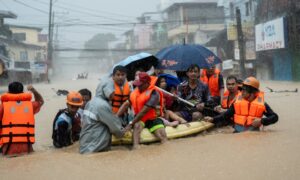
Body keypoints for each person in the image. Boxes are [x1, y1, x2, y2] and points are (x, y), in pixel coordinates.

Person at [204, 76, 279, 133]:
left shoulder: (262, 105)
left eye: (244, 90)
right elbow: (225, 115)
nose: (241, 92)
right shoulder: (237, 103)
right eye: (242, 89)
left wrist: (262, 121)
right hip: (237, 132)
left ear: (252, 92)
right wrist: (213, 119)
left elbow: (275, 117)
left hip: (254, 134)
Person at [117, 72, 167, 149]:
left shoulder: (154, 93)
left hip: (152, 118)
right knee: (137, 126)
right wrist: (116, 117)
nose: (138, 86)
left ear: (147, 83)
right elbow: (126, 104)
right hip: (139, 119)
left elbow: (144, 111)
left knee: (162, 137)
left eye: (140, 84)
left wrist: (130, 124)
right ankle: (135, 148)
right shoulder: (134, 92)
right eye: (137, 84)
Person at [79, 80, 124, 154]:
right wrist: (123, 132)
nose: (114, 93)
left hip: (85, 146)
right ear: (107, 91)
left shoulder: (91, 102)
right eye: (113, 91)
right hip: (94, 148)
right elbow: (116, 128)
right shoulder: (102, 105)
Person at [0, 82, 44, 156]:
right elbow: (40, 101)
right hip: (27, 148)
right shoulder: (30, 106)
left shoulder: (3, 107)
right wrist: (33, 90)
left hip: (8, 148)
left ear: (9, 92)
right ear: (22, 91)